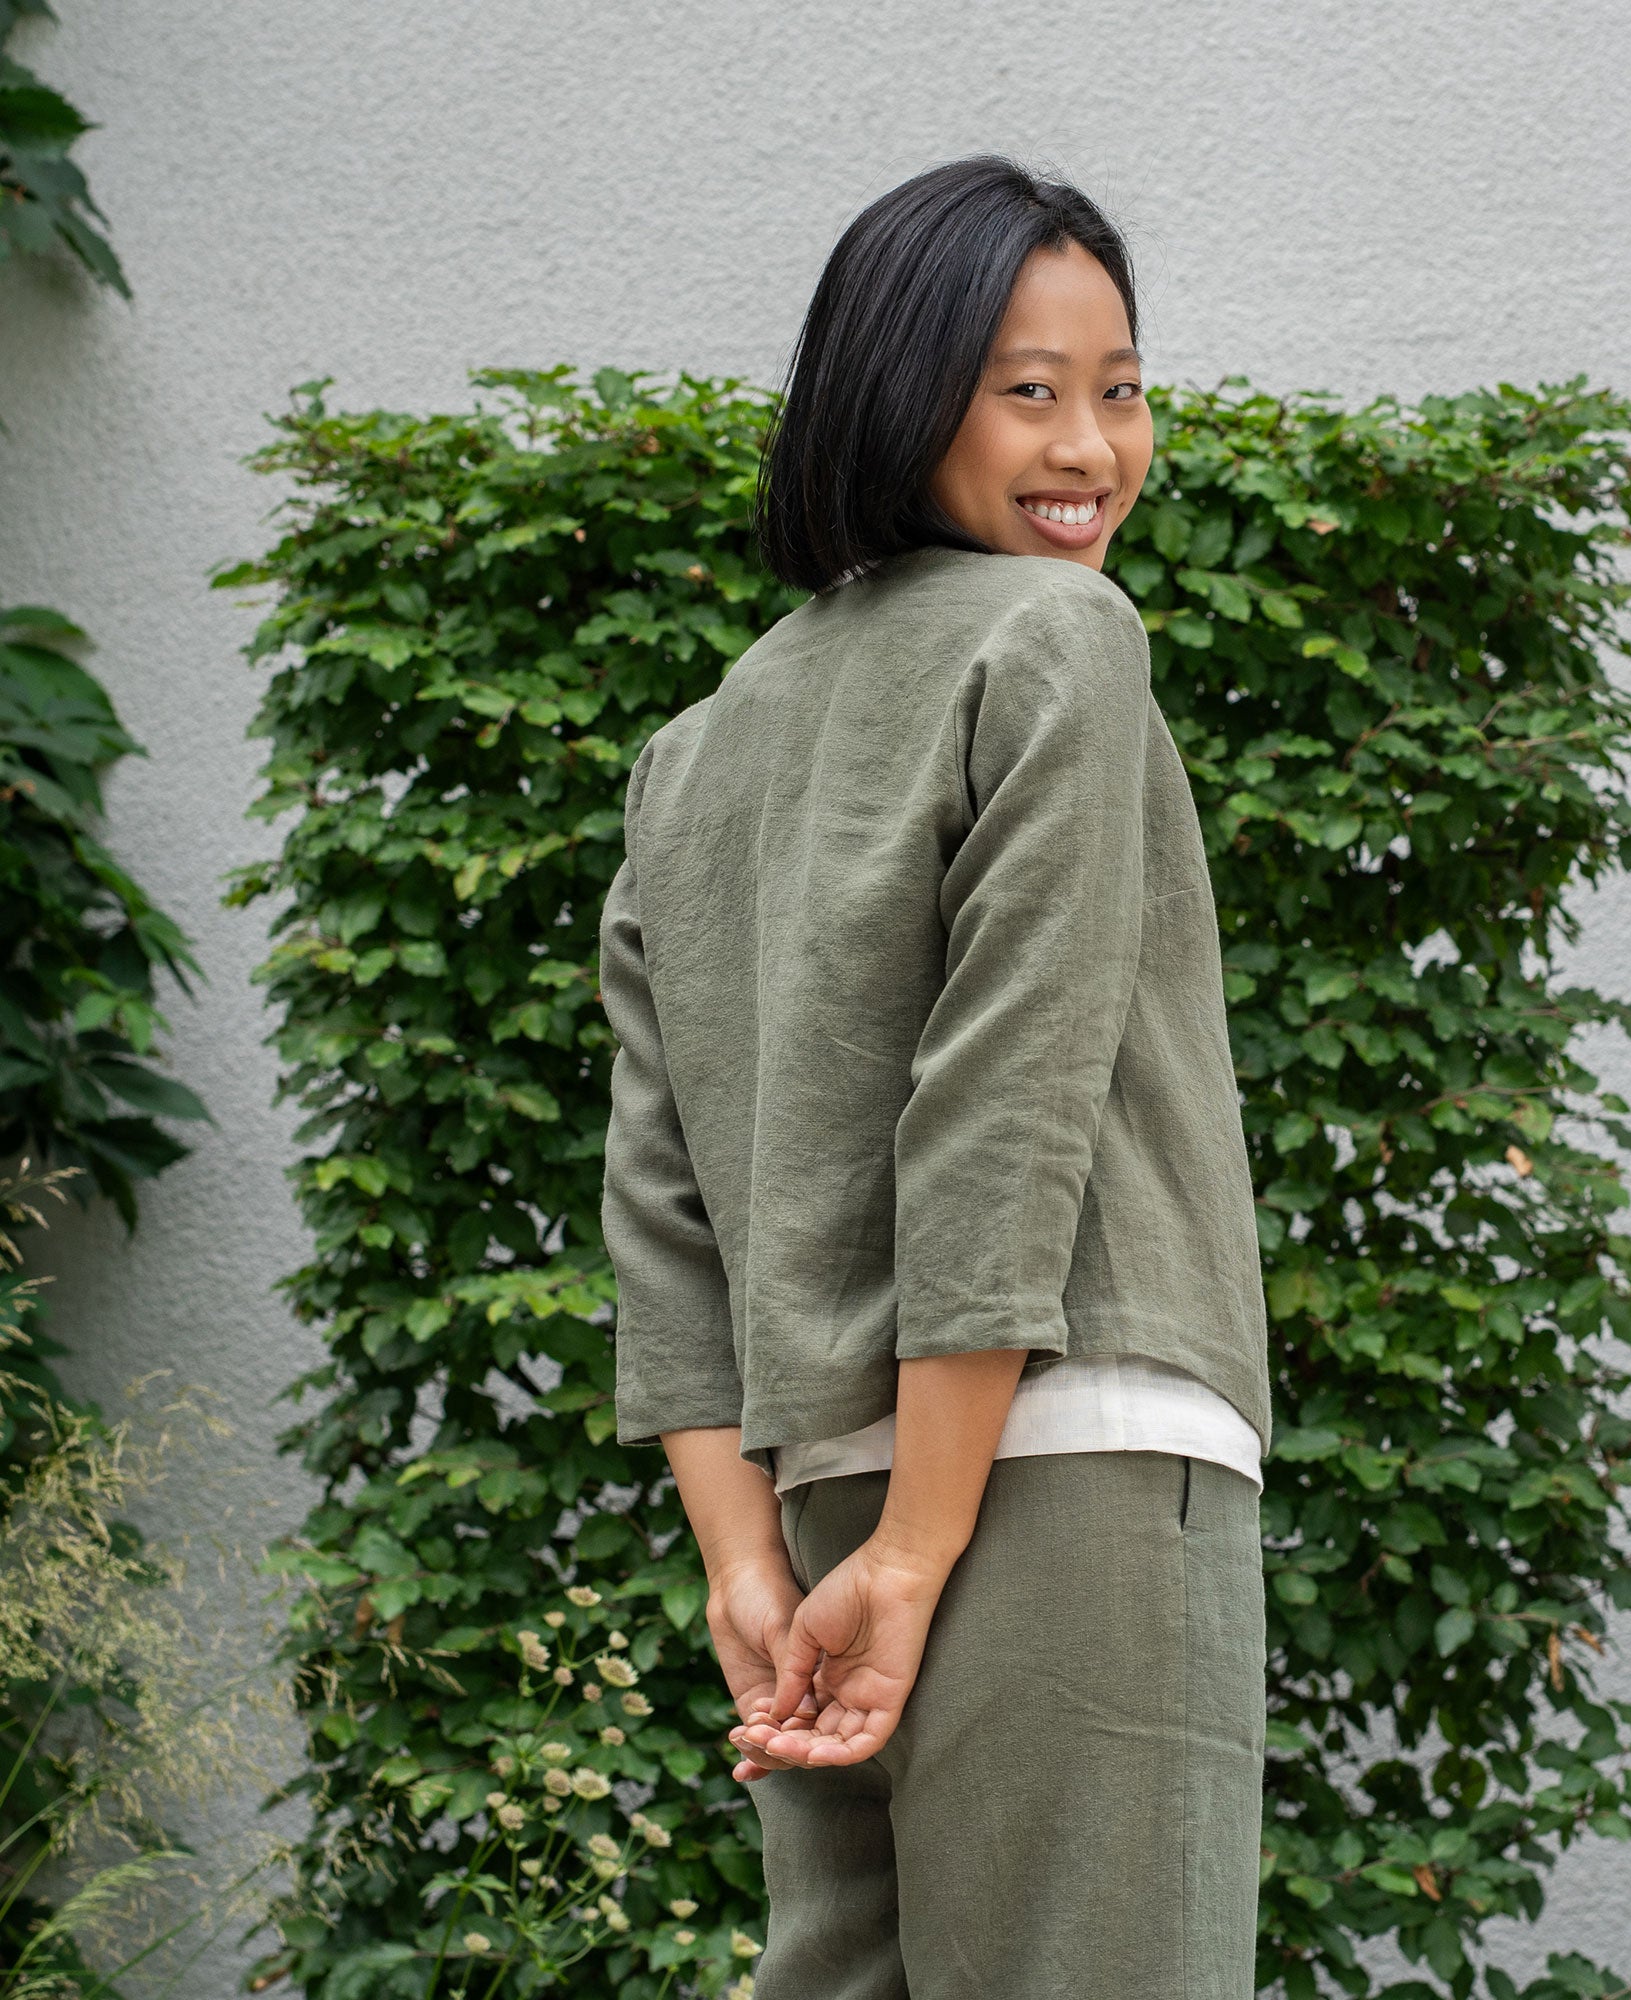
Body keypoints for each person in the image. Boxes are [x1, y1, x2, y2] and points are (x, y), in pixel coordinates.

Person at [598, 153, 1273, 1999]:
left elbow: (661, 1217)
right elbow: (1006, 1105)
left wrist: (757, 1570)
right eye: (1027, 390)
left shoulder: (694, 752)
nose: (1091, 448)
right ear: (900, 394)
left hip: (820, 1518)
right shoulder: (1059, 639)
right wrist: (918, 1550)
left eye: (1120, 389)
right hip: (1069, 1474)